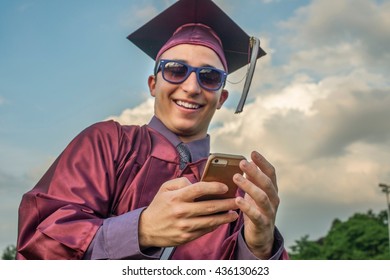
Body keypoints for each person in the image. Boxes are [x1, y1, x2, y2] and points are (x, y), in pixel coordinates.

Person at [16, 0, 288, 260]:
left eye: (209, 77)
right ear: (153, 84)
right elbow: (40, 248)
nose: (192, 88)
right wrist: (141, 229)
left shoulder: (235, 192)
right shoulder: (107, 143)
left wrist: (261, 248)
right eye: (175, 70)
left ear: (222, 98)